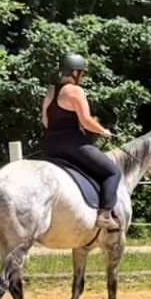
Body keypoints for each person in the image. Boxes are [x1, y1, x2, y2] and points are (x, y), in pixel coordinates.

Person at [41, 52, 121, 230]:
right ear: (75, 72)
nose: (83, 77)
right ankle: (105, 215)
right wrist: (104, 132)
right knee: (112, 172)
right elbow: (86, 121)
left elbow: (45, 121)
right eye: (82, 73)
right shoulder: (76, 91)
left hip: (52, 147)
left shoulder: (51, 91)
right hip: (74, 146)